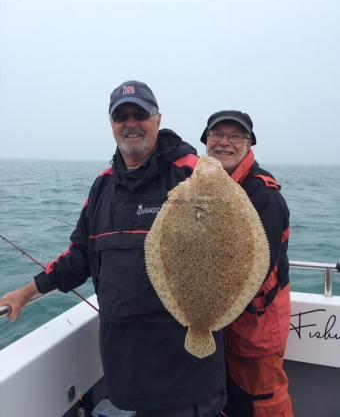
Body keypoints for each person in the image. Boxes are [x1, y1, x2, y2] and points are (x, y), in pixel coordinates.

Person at [0, 81, 227, 417]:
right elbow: (78, 257)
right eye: (122, 115)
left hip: (186, 375)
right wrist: (26, 292)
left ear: (158, 119)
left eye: (141, 114)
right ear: (111, 124)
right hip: (126, 373)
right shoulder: (103, 186)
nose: (131, 123)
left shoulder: (192, 174)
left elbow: (232, 242)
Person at [200, 111, 293, 417]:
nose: (224, 143)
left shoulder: (263, 194)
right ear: (206, 141)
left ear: (249, 144)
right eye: (217, 135)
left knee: (262, 405)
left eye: (235, 136)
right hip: (223, 327)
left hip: (255, 330)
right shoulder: (205, 186)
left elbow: (256, 271)